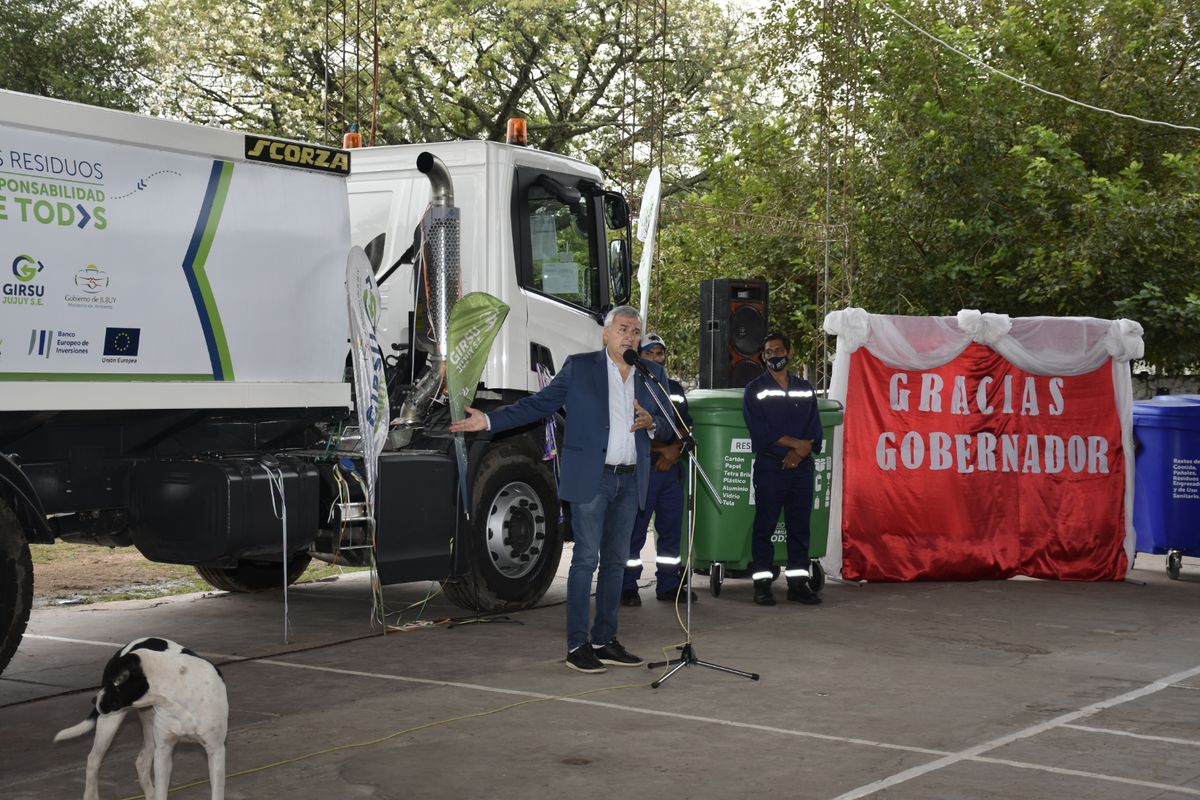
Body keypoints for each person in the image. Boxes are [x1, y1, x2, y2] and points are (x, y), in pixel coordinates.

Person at [451, 306, 672, 673]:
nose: (630, 337)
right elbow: (539, 405)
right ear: (605, 334)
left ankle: (605, 639)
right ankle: (577, 645)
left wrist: (653, 425)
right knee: (587, 559)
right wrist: (489, 419)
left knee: (617, 562)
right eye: (622, 329)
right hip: (593, 478)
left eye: (636, 331)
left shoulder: (653, 373)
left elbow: (670, 423)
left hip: (632, 478)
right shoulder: (580, 367)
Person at [742, 332, 824, 607]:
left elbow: (815, 429)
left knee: (800, 527)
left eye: (778, 350)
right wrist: (797, 445)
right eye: (768, 352)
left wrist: (801, 452)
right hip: (770, 467)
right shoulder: (755, 389)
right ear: (762, 357)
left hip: (801, 468)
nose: (774, 355)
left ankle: (798, 584)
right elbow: (761, 430)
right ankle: (762, 584)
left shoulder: (805, 388)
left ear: (790, 354)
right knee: (764, 526)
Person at [621, 333, 697, 606]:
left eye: (659, 354)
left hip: (671, 471)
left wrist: (675, 450)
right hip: (644, 469)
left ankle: (670, 585)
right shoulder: (630, 386)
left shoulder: (673, 387)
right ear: (639, 356)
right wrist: (661, 451)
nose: (655, 359)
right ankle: (627, 586)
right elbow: (627, 431)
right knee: (635, 531)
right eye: (649, 353)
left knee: (671, 531)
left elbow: (685, 425)